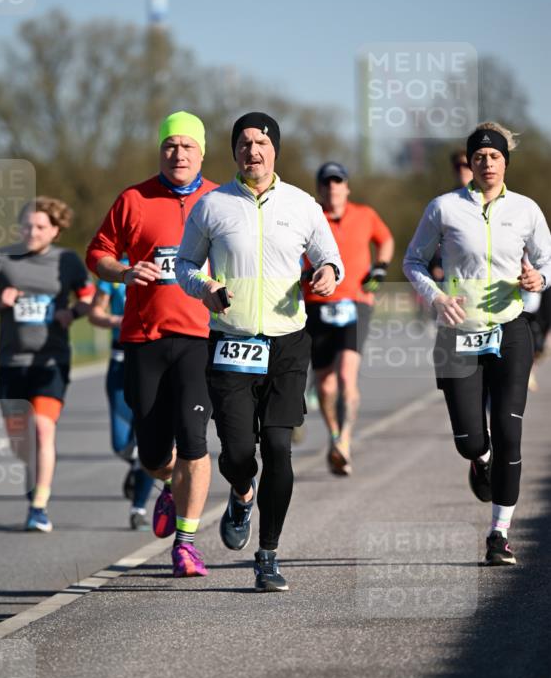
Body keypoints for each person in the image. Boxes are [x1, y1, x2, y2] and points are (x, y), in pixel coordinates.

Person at [176, 112, 344, 592]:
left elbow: (331, 257)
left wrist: (328, 274)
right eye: (245, 143)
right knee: (237, 454)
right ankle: (241, 493)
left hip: (288, 342)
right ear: (234, 152)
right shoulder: (212, 206)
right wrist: (205, 287)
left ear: (276, 150)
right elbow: (185, 263)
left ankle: (267, 555)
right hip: (230, 342)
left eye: (263, 143)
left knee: (278, 448)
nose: (254, 150)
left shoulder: (303, 204)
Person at [404, 122, 551, 565]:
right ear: (469, 162)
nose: (487, 163)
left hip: (510, 330)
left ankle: (499, 533)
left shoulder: (525, 210)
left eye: (495, 156)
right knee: (471, 439)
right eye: (480, 156)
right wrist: (437, 297)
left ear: (506, 162)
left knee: (510, 432)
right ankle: (478, 458)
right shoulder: (444, 209)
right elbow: (413, 261)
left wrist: (538, 278)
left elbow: (547, 262)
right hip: (457, 333)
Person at [86, 112, 217, 577]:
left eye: (187, 146)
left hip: (200, 339)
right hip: (144, 339)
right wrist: (123, 271)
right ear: (160, 151)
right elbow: (96, 253)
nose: (178, 153)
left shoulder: (220, 200)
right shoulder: (134, 199)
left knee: (196, 442)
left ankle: (186, 543)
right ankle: (168, 484)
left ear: (202, 151)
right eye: (170, 146)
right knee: (154, 453)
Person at [0, 196, 95, 532]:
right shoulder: (1, 259)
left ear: (56, 230)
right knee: (19, 440)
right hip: (12, 362)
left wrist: (72, 312)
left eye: (41, 226)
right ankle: (34, 480)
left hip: (51, 360)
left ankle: (38, 506)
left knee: (42, 428)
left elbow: (87, 295)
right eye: (27, 224)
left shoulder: (67, 261)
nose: (32, 231)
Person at [302, 161, 394, 476]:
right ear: (319, 188)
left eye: (338, 181)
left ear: (347, 186)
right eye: (326, 182)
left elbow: (386, 240)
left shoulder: (365, 214)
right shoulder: (310, 217)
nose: (332, 187)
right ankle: (334, 436)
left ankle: (345, 442)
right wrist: (303, 271)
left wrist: (380, 267)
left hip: (356, 303)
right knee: (326, 386)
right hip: (317, 304)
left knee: (346, 375)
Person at [88, 275, 155, 529]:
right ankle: (140, 463)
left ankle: (138, 508)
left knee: (150, 440)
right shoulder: (116, 272)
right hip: (120, 360)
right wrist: (115, 320)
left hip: (153, 359)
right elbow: (95, 313)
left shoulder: (162, 263)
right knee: (120, 444)